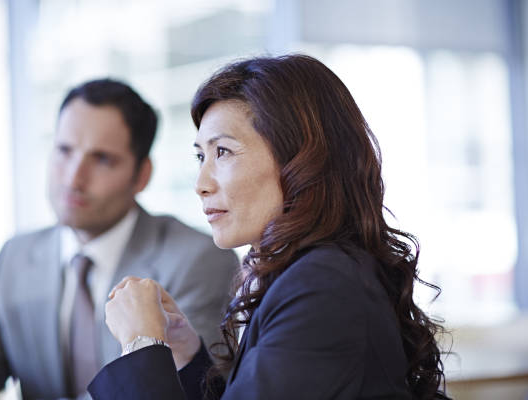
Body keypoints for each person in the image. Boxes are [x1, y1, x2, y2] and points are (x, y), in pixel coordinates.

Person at [87, 55, 450, 400]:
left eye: (223, 152)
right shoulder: (313, 272)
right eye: (201, 156)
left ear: (300, 159)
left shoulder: (322, 283)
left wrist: (142, 344)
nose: (201, 182)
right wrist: (181, 349)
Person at [0, 79, 238, 400]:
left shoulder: (199, 259)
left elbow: (176, 393)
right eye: (64, 151)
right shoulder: (15, 258)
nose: (73, 178)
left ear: (142, 175)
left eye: (102, 159)